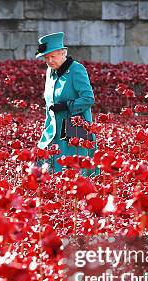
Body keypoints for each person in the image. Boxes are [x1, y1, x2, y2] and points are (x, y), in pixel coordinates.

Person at [36, 32, 98, 176]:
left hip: (75, 130)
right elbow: (49, 106)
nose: (50, 61)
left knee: (75, 175)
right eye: (46, 58)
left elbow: (88, 98)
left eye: (53, 56)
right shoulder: (49, 72)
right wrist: (46, 129)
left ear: (63, 53)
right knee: (48, 173)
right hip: (53, 131)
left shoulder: (77, 69)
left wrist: (67, 106)